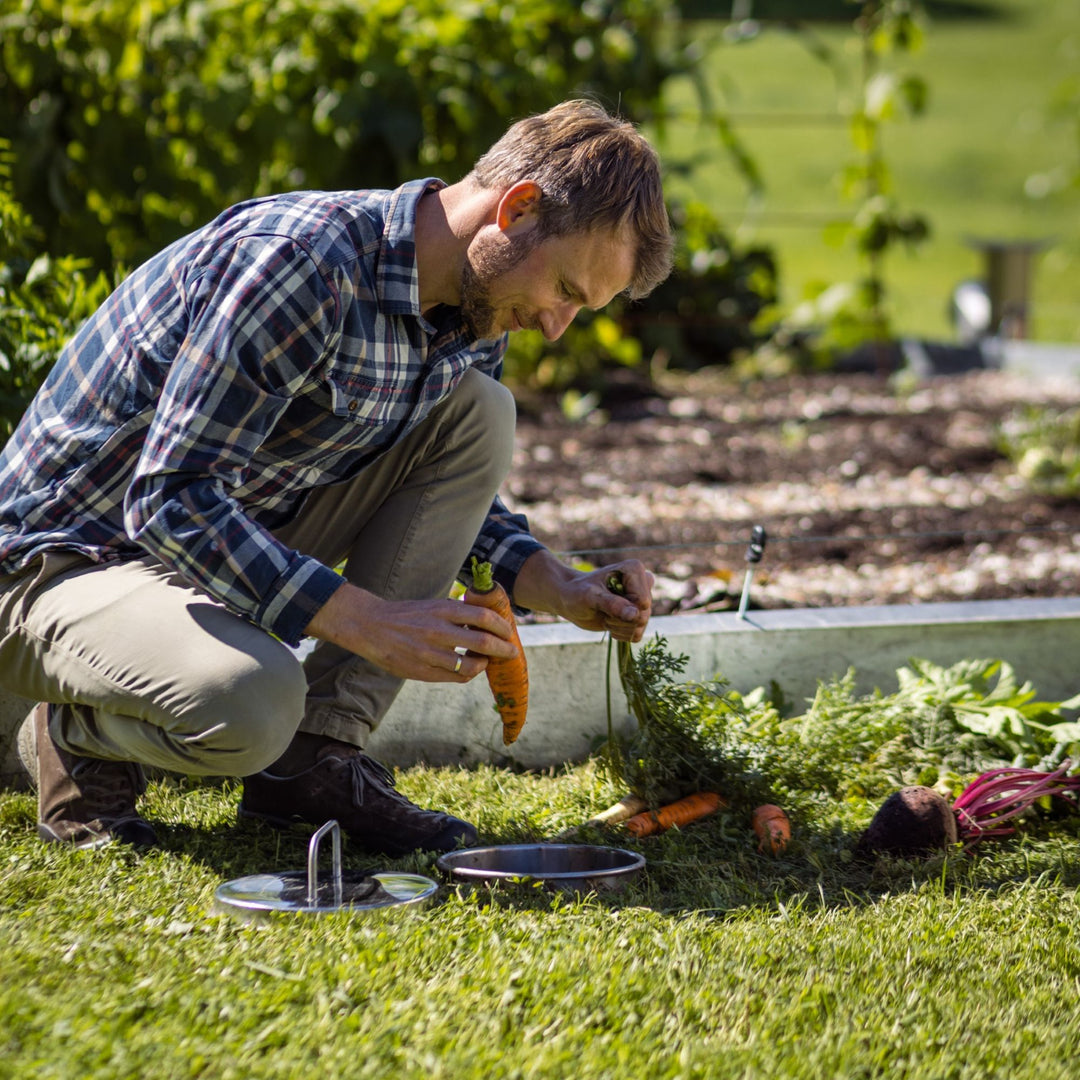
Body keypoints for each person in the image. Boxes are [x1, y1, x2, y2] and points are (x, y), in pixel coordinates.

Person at [0, 99, 673, 854]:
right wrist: (364, 619)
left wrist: (558, 583)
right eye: (568, 293)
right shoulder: (303, 266)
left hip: (194, 553)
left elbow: (432, 482)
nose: (557, 326)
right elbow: (169, 501)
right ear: (516, 211)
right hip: (60, 565)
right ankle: (77, 733)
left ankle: (313, 761)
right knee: (252, 704)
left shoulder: (474, 305)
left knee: (480, 411)